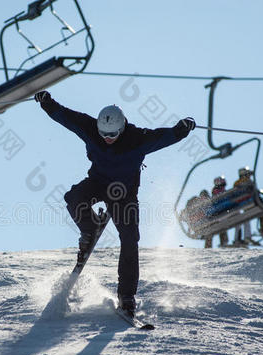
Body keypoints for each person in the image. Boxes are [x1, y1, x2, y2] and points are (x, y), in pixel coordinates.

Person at [34, 90, 195, 316]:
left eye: (113, 134)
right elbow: (66, 117)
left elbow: (165, 136)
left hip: (124, 195)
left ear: (122, 128)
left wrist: (183, 128)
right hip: (98, 182)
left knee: (130, 238)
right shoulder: (90, 128)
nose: (107, 138)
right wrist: (47, 103)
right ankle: (89, 229)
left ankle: (126, 295)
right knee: (73, 198)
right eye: (104, 134)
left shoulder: (138, 138)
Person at [232, 167, 257, 246]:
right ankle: (246, 236)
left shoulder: (237, 182)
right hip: (245, 202)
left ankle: (238, 238)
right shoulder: (247, 181)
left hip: (239, 204)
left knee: (240, 221)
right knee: (246, 220)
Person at [204, 176, 229, 248]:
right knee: (214, 227)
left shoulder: (222, 190)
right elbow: (217, 199)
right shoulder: (216, 190)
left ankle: (224, 242)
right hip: (217, 211)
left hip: (221, 211)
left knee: (221, 227)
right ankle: (209, 245)